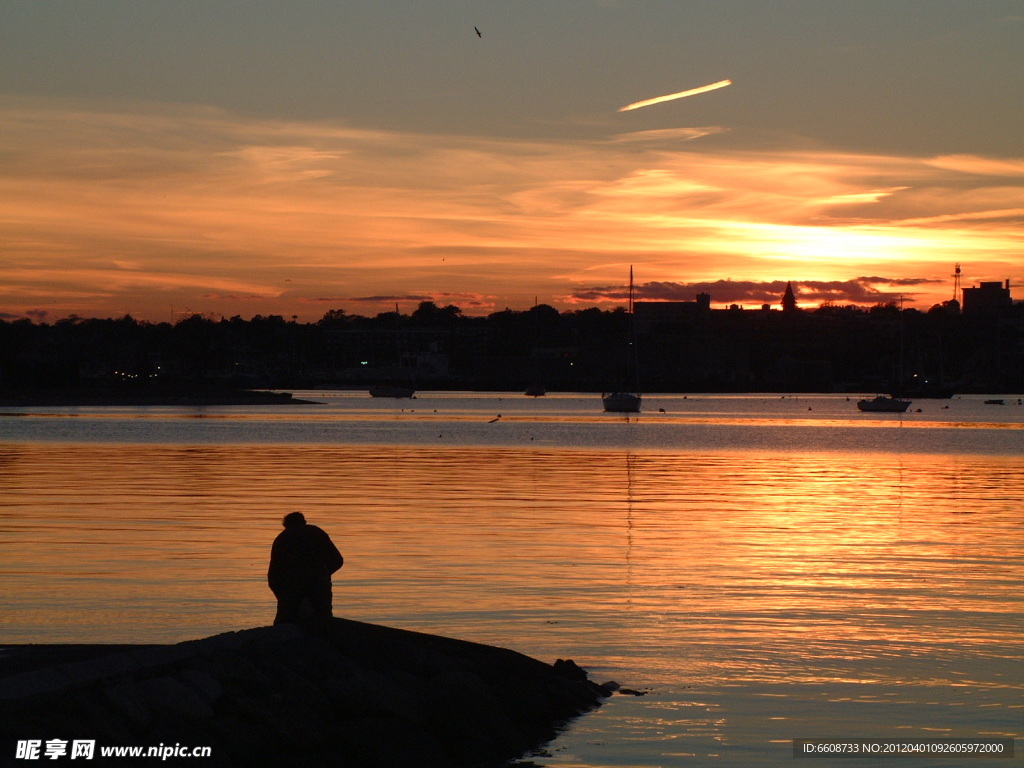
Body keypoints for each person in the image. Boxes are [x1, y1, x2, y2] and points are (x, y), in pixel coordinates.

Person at [267, 512, 344, 626]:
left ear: (286, 525)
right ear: (303, 522)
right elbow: (338, 561)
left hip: (291, 587)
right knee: (323, 622)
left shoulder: (282, 538)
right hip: (318, 586)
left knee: (285, 623)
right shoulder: (317, 533)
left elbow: (273, 574)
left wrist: (281, 595)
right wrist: (323, 574)